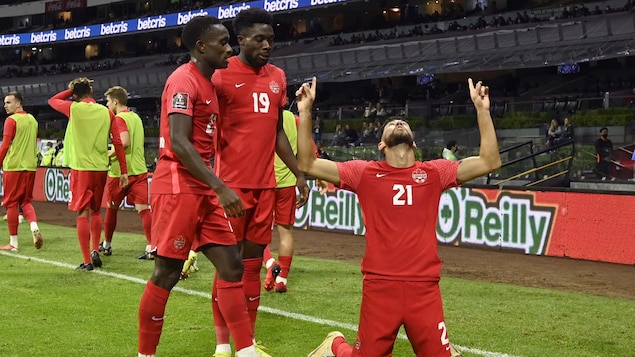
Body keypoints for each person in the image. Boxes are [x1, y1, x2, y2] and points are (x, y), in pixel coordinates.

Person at [297, 78, 500, 357]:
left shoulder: (435, 172)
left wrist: (482, 111)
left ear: (414, 141)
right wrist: (305, 112)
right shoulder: (363, 173)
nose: (398, 123)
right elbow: (307, 164)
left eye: (403, 122)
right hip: (380, 287)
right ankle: (335, 344)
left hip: (424, 288)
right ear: (381, 144)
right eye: (391, 124)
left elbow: (490, 162)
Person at [137, 16, 265, 357]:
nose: (229, 48)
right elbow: (179, 142)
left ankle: (244, 350)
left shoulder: (209, 82)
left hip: (203, 188)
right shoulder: (183, 81)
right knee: (167, 273)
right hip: (178, 185)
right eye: (222, 42)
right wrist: (222, 188)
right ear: (201, 47)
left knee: (231, 266)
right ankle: (145, 353)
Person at [211, 8, 309, 356]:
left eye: (270, 39)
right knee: (229, 265)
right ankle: (224, 343)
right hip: (230, 187)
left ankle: (246, 342)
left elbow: (277, 131)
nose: (267, 45)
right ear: (241, 40)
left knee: (252, 264)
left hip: (266, 185)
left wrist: (298, 172)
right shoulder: (220, 76)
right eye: (259, 39)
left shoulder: (278, 77)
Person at [48, 77, 129, 270]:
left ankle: (86, 261)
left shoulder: (74, 108)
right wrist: (124, 171)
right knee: (95, 210)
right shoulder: (106, 112)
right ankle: (95, 249)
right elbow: (117, 142)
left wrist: (71, 90)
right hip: (101, 168)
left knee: (82, 212)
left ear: (76, 94)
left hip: (82, 168)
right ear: (91, 91)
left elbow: (52, 101)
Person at [99, 85, 152, 260]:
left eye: (108, 101)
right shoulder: (136, 117)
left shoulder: (119, 118)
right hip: (140, 169)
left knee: (112, 208)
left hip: (120, 172)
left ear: (115, 101)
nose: (107, 105)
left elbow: (125, 142)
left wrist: (108, 153)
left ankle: (106, 245)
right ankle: (151, 247)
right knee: (143, 209)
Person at [0, 91, 43, 251]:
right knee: (26, 202)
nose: (5, 105)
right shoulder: (32, 120)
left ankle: (13, 243)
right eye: (5, 103)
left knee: (11, 204)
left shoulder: (11, 120)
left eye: (9, 102)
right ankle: (33, 226)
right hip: (30, 167)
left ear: (18, 103)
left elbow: (5, 145)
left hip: (14, 167)